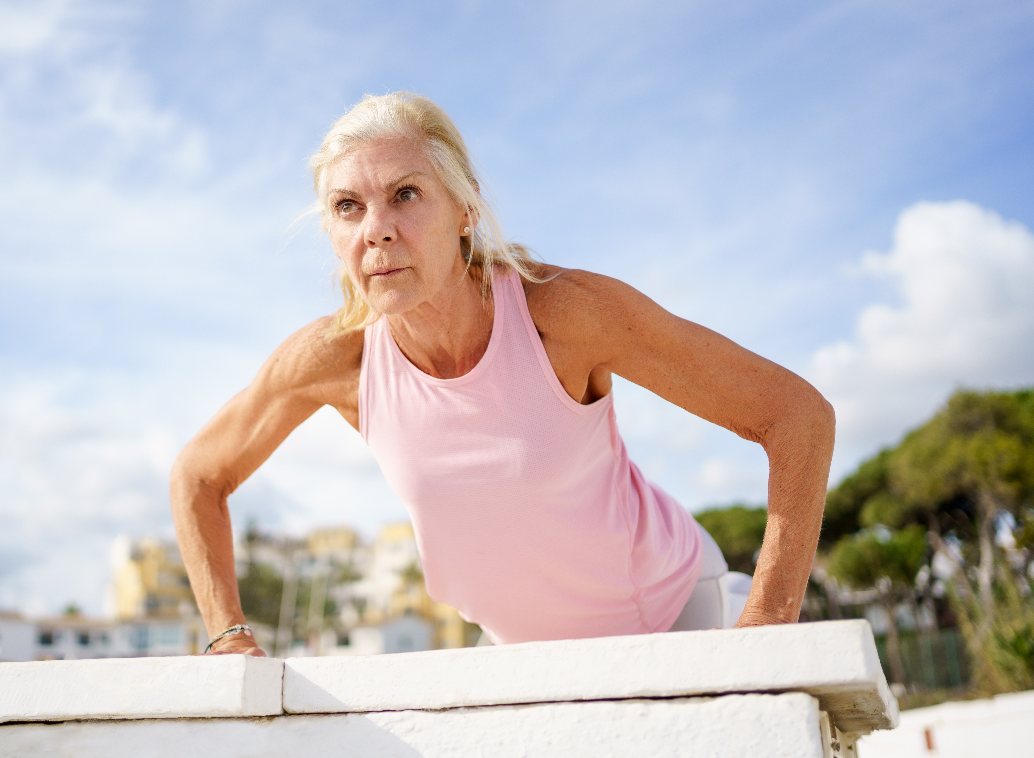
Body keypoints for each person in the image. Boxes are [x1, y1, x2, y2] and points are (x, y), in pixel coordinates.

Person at [170, 92, 834, 657]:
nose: (377, 230)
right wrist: (228, 638)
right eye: (348, 206)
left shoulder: (565, 318)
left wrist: (766, 630)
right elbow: (199, 475)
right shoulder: (336, 359)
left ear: (465, 210)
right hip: (525, 662)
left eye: (406, 194)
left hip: (683, 621)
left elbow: (795, 415)